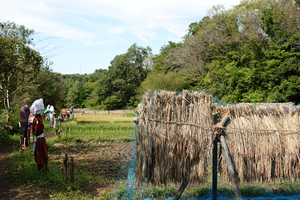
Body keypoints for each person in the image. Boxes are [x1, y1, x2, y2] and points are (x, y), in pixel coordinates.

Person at [30, 98, 49, 172]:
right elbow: (37, 129)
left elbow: (37, 129)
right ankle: (40, 167)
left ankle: (41, 167)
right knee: (39, 153)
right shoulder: (38, 118)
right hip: (39, 139)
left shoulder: (38, 118)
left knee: (41, 153)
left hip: (40, 139)